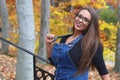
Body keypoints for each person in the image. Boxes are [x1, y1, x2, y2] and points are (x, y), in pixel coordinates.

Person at [46, 6, 111, 80]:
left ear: (90, 25)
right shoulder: (64, 39)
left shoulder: (92, 44)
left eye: (86, 20)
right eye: (79, 16)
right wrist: (48, 44)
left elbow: (103, 72)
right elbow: (55, 62)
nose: (80, 20)